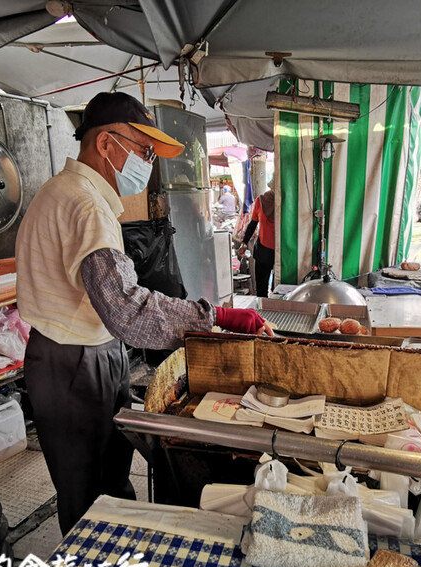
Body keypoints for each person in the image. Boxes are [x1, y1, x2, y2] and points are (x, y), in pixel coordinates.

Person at [15, 92, 273, 533]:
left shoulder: (59, 191)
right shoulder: (86, 205)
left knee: (105, 479)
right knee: (91, 492)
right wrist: (216, 318)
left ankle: (116, 554)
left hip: (73, 354)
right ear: (105, 144)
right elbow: (127, 309)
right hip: (75, 365)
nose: (147, 163)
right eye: (143, 150)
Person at [238, 182, 276, 297]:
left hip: (281, 250)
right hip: (264, 250)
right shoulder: (261, 200)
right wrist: (244, 243)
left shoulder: (287, 200)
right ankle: (263, 307)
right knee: (262, 287)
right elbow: (253, 223)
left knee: (277, 288)